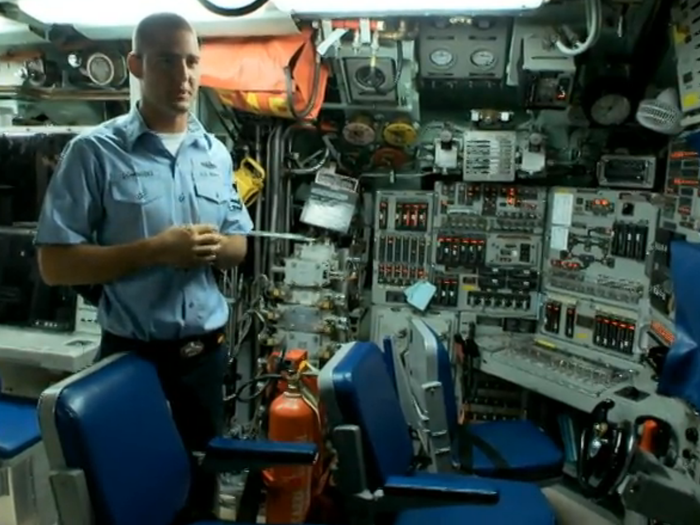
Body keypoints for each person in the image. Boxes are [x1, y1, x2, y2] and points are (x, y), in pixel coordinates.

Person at [34, 12, 252, 521]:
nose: (183, 77)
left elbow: (240, 244)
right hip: (131, 362)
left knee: (200, 488)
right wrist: (156, 251)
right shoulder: (94, 152)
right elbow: (54, 265)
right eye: (166, 62)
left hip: (204, 359)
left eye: (193, 62)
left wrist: (209, 248)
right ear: (135, 65)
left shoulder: (215, 153)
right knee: (130, 498)